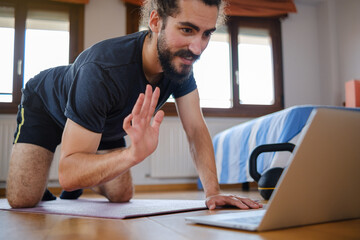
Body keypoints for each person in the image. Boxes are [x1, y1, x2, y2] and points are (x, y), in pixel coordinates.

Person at [7, 0, 262, 210]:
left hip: (104, 121)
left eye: (207, 33)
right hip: (45, 105)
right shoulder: (102, 70)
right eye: (187, 30)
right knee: (23, 200)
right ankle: (76, 169)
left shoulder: (180, 65)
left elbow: (195, 128)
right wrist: (132, 154)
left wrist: (213, 192)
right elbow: (68, 174)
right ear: (155, 22)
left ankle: (89, 167)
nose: (197, 48)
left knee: (122, 195)